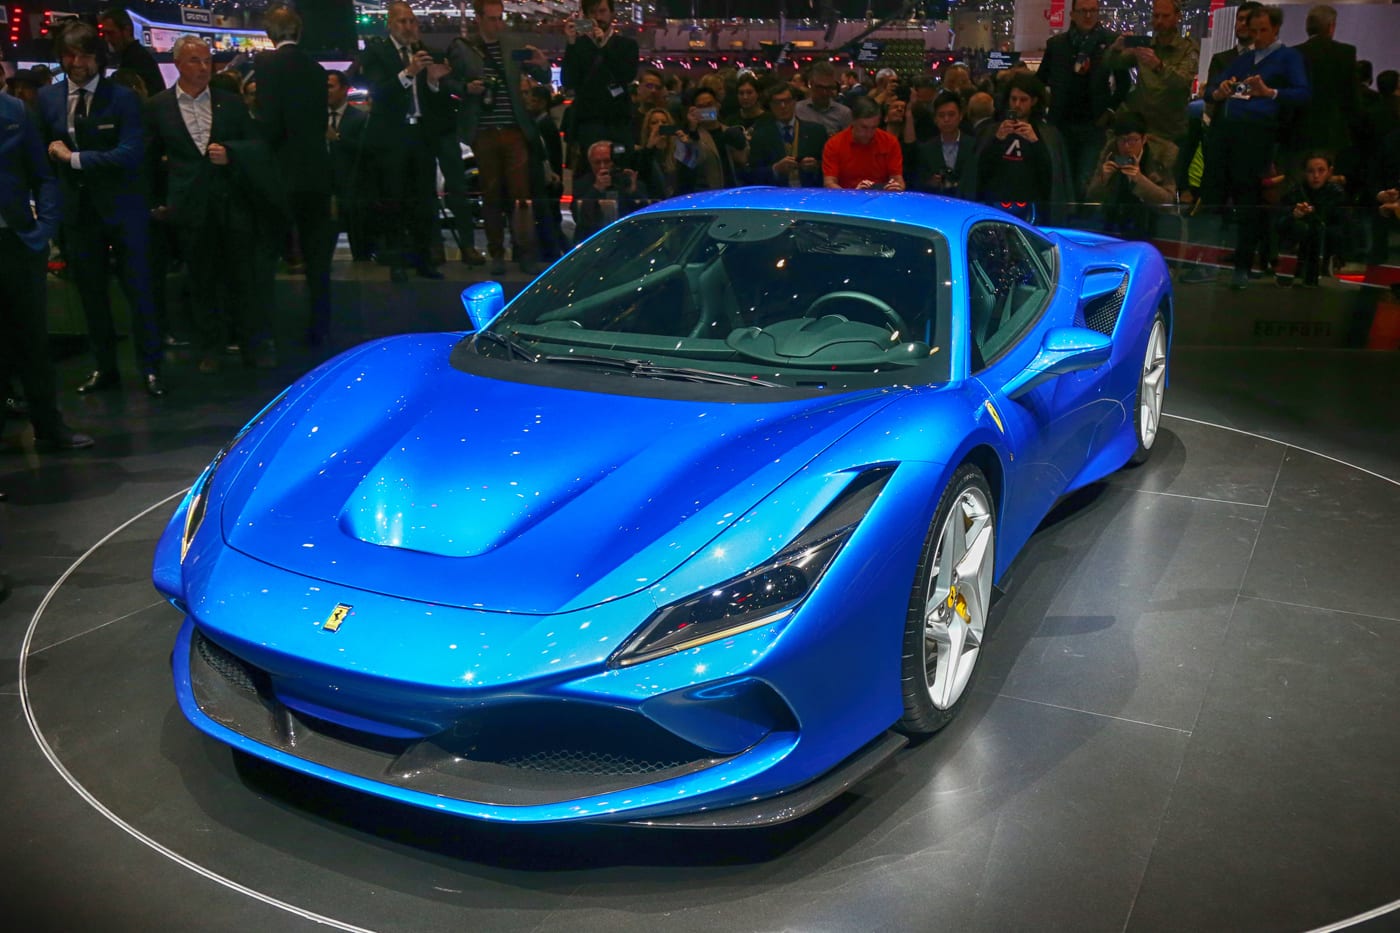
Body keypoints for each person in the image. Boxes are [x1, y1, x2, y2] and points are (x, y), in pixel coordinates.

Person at [35, 21, 164, 397]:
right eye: (70, 55)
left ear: (99, 58)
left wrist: (74, 159)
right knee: (91, 296)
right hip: (77, 213)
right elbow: (42, 157)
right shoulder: (47, 98)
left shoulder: (123, 98)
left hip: (124, 210)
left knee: (139, 292)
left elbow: (130, 154)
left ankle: (151, 368)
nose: (78, 63)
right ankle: (105, 368)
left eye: (86, 55)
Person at [146, 35, 278, 372]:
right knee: (201, 280)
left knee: (243, 277)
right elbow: (148, 159)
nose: (204, 67)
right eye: (195, 61)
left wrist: (231, 153)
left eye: (207, 61)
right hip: (189, 205)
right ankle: (211, 347)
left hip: (231, 201)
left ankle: (252, 345)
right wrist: (158, 201)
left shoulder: (229, 103)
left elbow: (256, 146)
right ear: (177, 64)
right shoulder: (158, 106)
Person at [0, 93, 94, 450]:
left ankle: (48, 426)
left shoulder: (14, 111)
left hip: (17, 240)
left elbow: (43, 175)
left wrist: (44, 230)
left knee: (33, 339)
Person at [1209, 4, 1311, 289]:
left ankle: (1243, 266)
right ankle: (1215, 262)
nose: (1257, 36)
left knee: (1249, 200)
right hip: (1228, 133)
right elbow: (1213, 86)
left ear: (1275, 29)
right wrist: (1219, 91)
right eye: (1253, 31)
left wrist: (1270, 92)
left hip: (1258, 135)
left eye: (1263, 30)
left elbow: (1303, 93)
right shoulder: (1245, 59)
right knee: (1219, 195)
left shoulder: (1288, 57)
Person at [357, 1, 452, 282]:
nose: (409, 27)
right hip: (392, 136)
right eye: (402, 21)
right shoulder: (376, 52)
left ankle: (424, 260)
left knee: (423, 201)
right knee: (394, 200)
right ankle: (396, 261)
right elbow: (379, 92)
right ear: (390, 24)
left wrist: (433, 81)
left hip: (421, 134)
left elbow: (435, 101)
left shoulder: (423, 53)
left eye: (412, 21)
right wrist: (409, 72)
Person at [449, 0, 544, 276]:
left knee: (521, 196)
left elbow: (538, 73)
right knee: (491, 194)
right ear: (479, 18)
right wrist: (467, 88)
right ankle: (497, 252)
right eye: (492, 18)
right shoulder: (463, 48)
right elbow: (449, 81)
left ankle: (524, 251)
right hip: (484, 130)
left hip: (513, 128)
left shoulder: (512, 45)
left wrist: (541, 64)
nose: (497, 24)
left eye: (500, 18)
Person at [255, 4, 331, 352]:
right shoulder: (317, 70)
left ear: (270, 34)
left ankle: (264, 333)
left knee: (267, 255)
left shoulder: (267, 66)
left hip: (281, 174)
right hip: (315, 172)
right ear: (299, 31)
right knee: (317, 258)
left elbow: (270, 124)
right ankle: (320, 328)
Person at [1037, 0, 1116, 199]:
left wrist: (1109, 112)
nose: (1088, 16)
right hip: (1060, 123)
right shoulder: (1056, 45)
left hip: (1094, 124)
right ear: (1072, 14)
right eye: (1083, 11)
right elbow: (1040, 80)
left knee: (1086, 181)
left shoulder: (1110, 42)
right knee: (1062, 178)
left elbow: (1123, 84)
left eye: (1093, 11)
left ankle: (1082, 217)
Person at [974, 72, 1068, 222]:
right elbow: (981, 169)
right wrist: (997, 140)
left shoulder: (1047, 134)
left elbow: (1050, 174)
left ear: (1034, 101)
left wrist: (1035, 142)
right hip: (996, 203)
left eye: (1023, 100)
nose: (1017, 104)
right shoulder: (991, 131)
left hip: (1033, 206)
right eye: (1014, 99)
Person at [1107, 0, 1200, 143]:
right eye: (1156, 16)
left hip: (1170, 133)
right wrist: (1115, 49)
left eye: (1165, 16)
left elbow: (1182, 83)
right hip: (1142, 130)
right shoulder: (1146, 45)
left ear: (1178, 17)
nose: (1160, 21)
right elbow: (1112, 63)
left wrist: (1158, 66)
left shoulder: (1187, 48)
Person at [561, 0, 639, 161]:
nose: (598, 17)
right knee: (589, 168)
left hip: (618, 121)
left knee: (621, 164)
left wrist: (604, 47)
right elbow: (568, 81)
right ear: (586, 16)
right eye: (592, 12)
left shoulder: (627, 45)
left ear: (612, 14)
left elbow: (627, 75)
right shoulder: (579, 45)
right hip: (588, 122)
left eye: (602, 11)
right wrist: (571, 43)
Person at [1085, 111, 1178, 239]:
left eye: (1133, 140)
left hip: (1152, 225)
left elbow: (1168, 203)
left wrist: (1139, 179)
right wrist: (1103, 179)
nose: (1127, 146)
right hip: (1114, 223)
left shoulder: (1160, 156)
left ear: (1144, 139)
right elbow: (1090, 197)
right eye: (1122, 140)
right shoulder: (1110, 153)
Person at [1278, 151, 1347, 285]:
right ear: (1304, 172)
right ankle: (1288, 272)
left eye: (1321, 170)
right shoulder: (1295, 191)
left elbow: (1342, 223)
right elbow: (1279, 221)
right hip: (1298, 237)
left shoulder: (1336, 193)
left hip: (1324, 239)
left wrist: (1316, 212)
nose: (1316, 176)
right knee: (1298, 227)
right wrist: (1294, 214)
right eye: (1311, 171)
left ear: (1329, 171)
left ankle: (1315, 272)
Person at [326, 70, 371, 262]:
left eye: (330, 86)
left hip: (352, 187)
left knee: (361, 250)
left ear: (344, 89)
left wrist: (337, 138)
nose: (326, 91)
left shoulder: (360, 117)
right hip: (324, 186)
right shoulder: (315, 117)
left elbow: (365, 149)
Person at [746, 83, 827, 188]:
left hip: (810, 191)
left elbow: (828, 166)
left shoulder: (816, 131)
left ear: (794, 102)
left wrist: (815, 166)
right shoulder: (760, 136)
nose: (783, 106)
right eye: (777, 102)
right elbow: (752, 174)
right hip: (776, 193)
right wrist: (775, 169)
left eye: (787, 101)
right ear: (770, 105)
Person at [673, 87, 748, 194]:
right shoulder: (687, 137)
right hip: (705, 195)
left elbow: (743, 160)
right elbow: (685, 173)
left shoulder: (730, 132)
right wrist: (692, 130)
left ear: (718, 106)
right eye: (701, 107)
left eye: (709, 105)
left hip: (732, 193)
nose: (706, 110)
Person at [822, 96, 904, 191]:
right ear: (853, 121)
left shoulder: (890, 142)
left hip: (881, 196)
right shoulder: (834, 144)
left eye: (873, 127)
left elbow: (898, 179)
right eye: (864, 127)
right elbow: (829, 183)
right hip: (846, 197)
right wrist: (854, 194)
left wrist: (897, 187)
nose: (869, 133)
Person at [910, 91, 976, 197]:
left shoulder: (973, 145)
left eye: (951, 114)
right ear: (935, 119)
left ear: (960, 116)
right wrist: (930, 183)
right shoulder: (926, 149)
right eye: (941, 115)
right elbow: (919, 183)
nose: (946, 119)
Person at [99, 6, 166, 98]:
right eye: (104, 33)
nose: (107, 39)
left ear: (127, 30)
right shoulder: (133, 55)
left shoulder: (137, 59)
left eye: (111, 33)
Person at [796, 61, 852, 135]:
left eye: (829, 88)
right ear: (811, 84)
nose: (824, 92)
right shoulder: (797, 110)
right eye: (820, 87)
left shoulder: (844, 114)